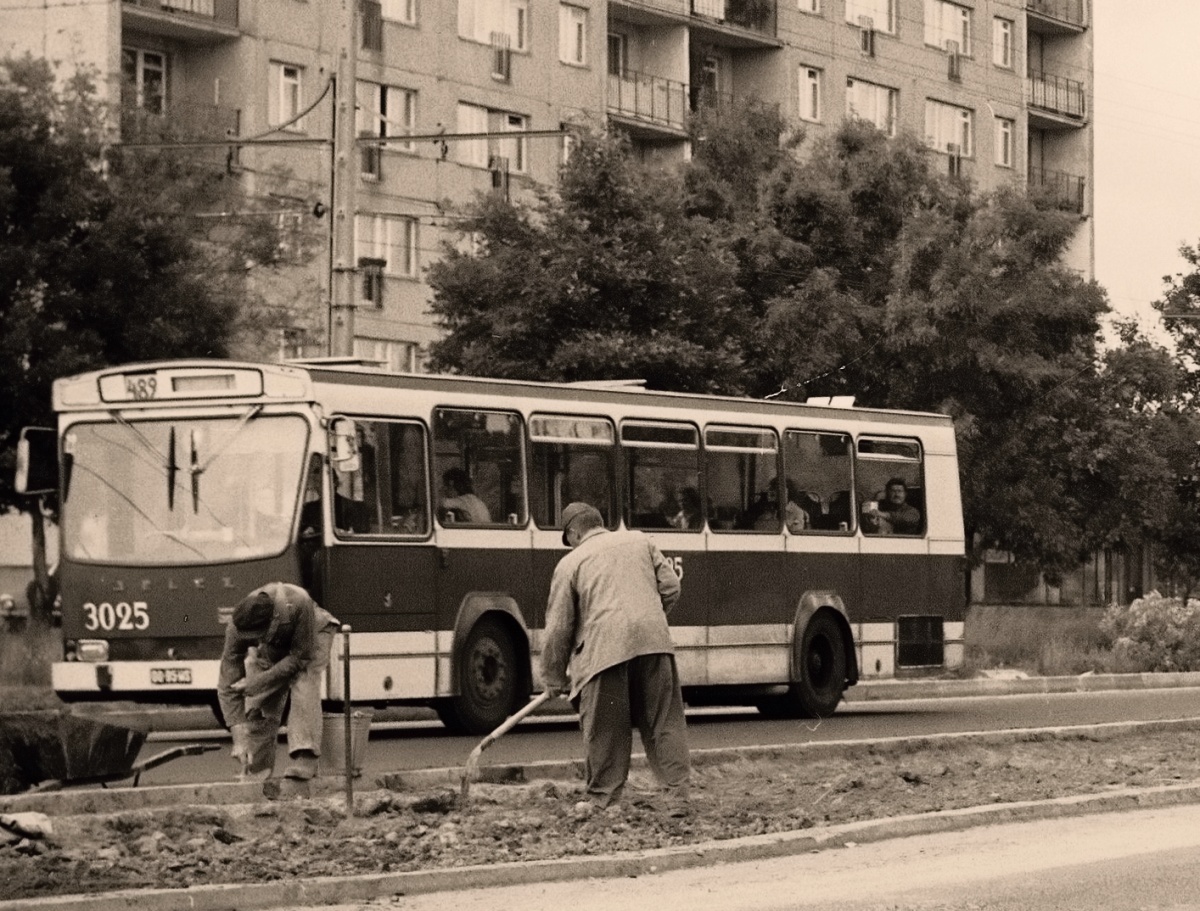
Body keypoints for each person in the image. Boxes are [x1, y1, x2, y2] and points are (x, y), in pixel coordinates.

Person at [541, 502, 691, 815]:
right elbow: (671, 586)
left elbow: (558, 628)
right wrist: (650, 618)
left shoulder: (571, 563)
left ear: (573, 532)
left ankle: (603, 799)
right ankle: (677, 796)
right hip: (654, 644)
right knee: (664, 720)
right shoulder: (641, 541)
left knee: (606, 727)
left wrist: (554, 676)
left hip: (603, 653)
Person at [217, 582, 339, 784]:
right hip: (274, 645)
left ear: (273, 622)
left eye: (257, 638)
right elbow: (227, 685)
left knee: (304, 681)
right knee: (258, 703)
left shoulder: (299, 602)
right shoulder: (238, 625)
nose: (253, 643)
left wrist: (257, 682)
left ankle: (305, 756)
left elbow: (300, 658)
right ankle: (257, 766)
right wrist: (239, 739)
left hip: (312, 633)